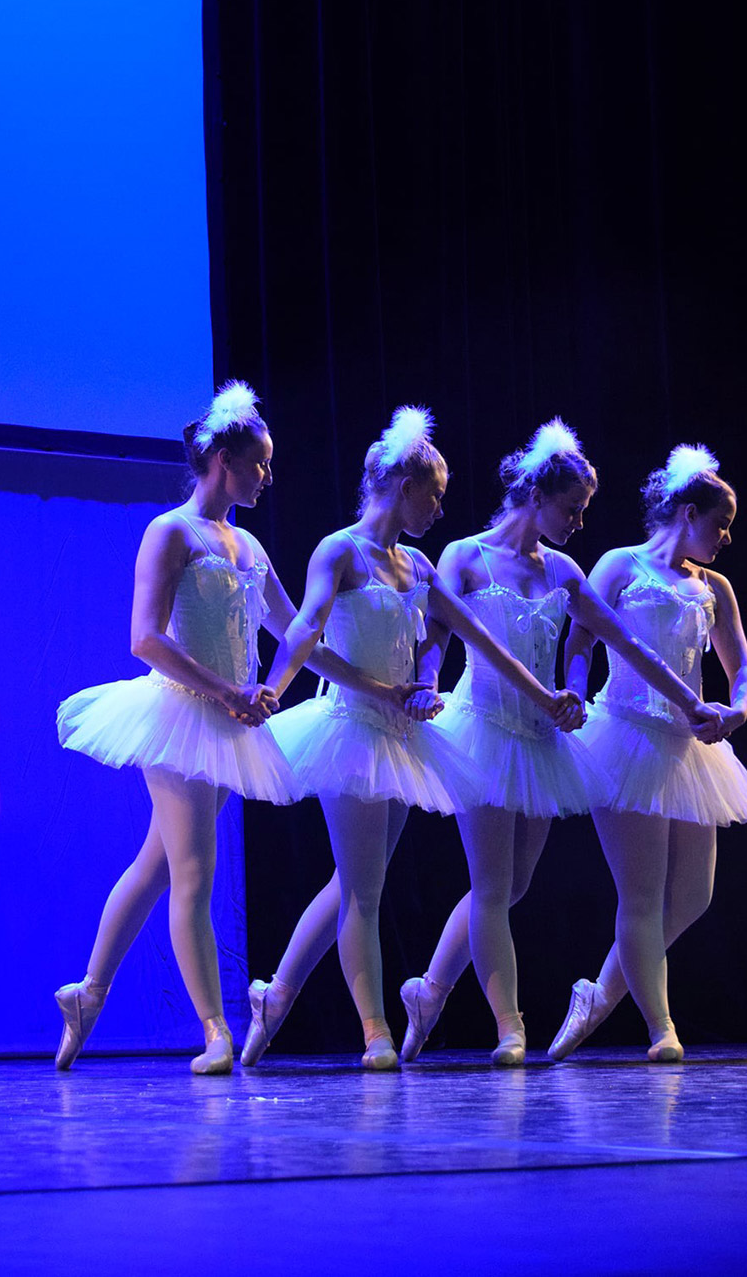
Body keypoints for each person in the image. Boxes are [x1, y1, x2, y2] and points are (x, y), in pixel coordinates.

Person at [240, 406, 582, 1071]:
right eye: (436, 494)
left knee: (353, 882)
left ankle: (275, 999)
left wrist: (539, 695)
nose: (440, 507)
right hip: (351, 728)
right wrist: (277, 689)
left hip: (400, 737)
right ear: (404, 486)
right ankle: (376, 1033)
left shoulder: (420, 566)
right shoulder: (339, 551)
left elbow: (480, 639)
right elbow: (305, 630)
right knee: (364, 890)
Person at [397, 422, 725, 1066]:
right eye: (571, 509)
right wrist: (428, 683)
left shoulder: (566, 570)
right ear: (535, 496)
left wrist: (668, 700)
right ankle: (509, 1028)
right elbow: (435, 637)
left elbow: (620, 643)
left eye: (582, 512)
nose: (578, 522)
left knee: (514, 885)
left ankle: (429, 989)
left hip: (542, 735)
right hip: (483, 727)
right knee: (492, 885)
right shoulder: (465, 555)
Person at [54, 382, 302, 1075]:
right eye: (259, 464)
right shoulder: (170, 531)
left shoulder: (247, 543)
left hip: (224, 722)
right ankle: (215, 1030)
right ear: (223, 459)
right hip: (177, 715)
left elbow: (292, 626)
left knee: (157, 864)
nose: (268, 476)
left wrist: (344, 674)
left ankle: (87, 993)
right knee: (195, 873)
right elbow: (144, 640)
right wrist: (228, 690)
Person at [548, 444, 747, 1065]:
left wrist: (737, 709)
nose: (725, 538)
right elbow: (581, 637)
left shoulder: (714, 588)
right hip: (627, 737)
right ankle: (661, 1027)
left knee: (693, 896)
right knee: (641, 897)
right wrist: (576, 689)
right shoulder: (620, 565)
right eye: (719, 524)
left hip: (689, 747)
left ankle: (599, 996)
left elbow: (741, 666)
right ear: (687, 512)